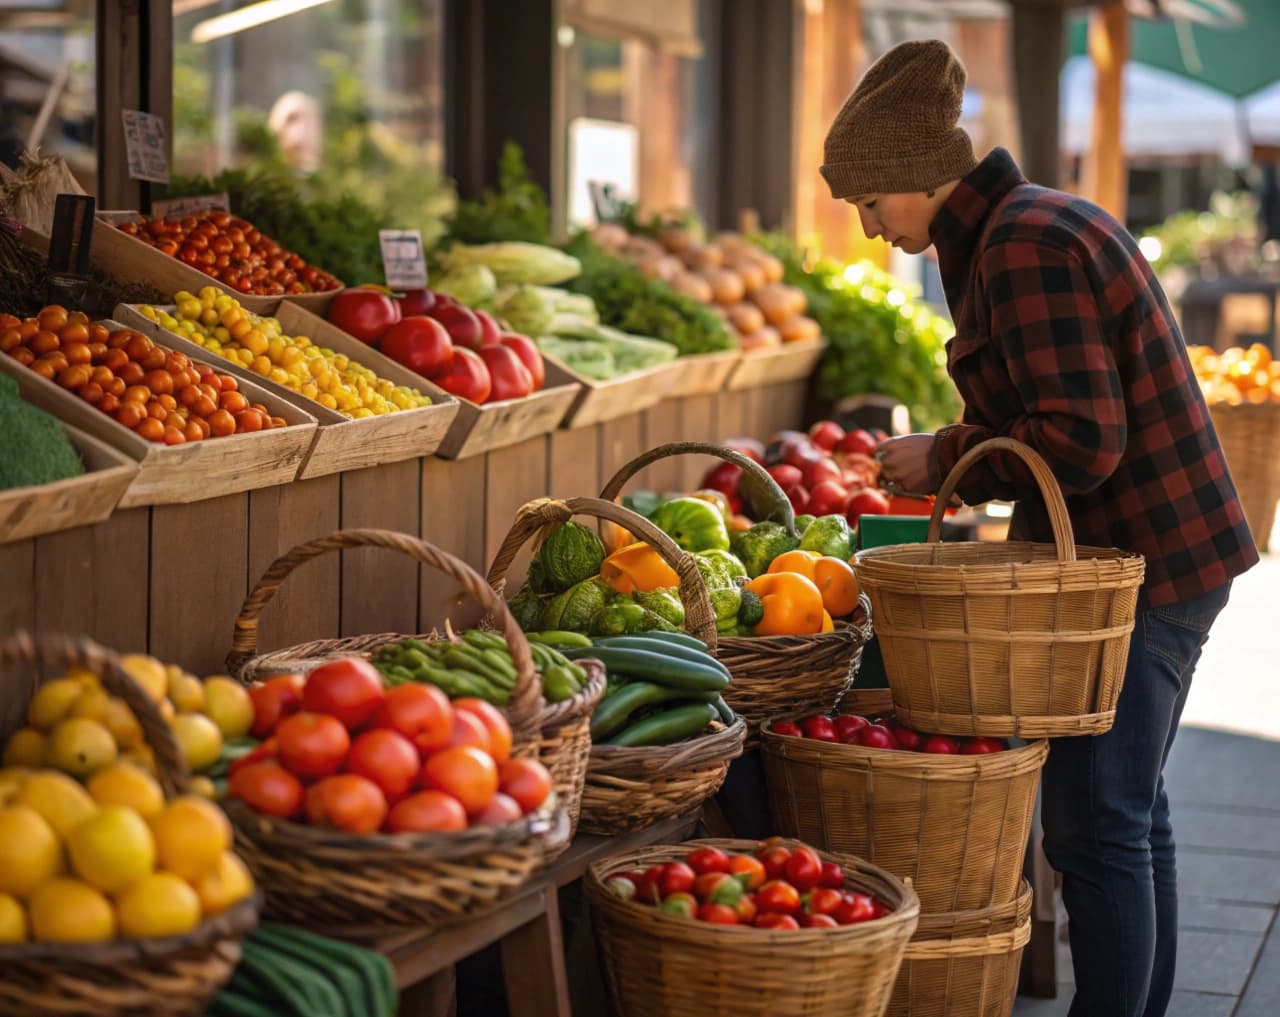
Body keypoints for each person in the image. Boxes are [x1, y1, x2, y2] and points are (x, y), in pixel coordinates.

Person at [820, 39, 1259, 1017]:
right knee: (1130, 817)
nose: (867, 230)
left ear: (920, 177)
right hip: (1171, 548)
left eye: (869, 202)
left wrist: (945, 454)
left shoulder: (1021, 250)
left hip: (1144, 562)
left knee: (1095, 826)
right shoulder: (1028, 225)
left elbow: (1079, 442)